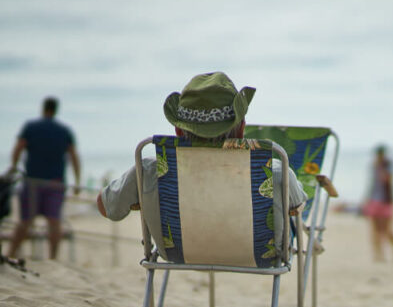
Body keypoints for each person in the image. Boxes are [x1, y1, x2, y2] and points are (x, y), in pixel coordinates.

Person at [96, 72, 307, 260]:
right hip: (260, 254)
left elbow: (107, 207)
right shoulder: (275, 173)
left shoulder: (151, 170)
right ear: (242, 129)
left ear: (178, 131)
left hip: (176, 252)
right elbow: (298, 206)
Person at [7, 97, 81, 260]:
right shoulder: (63, 131)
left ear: (43, 108)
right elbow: (74, 156)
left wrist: (13, 167)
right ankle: (53, 258)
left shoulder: (31, 127)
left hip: (32, 181)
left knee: (25, 221)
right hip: (55, 182)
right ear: (56, 110)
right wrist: (77, 181)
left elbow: (18, 148)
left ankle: (11, 253)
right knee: (54, 222)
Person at [362, 145, 393, 263]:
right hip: (374, 200)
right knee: (374, 230)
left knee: (387, 230)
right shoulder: (373, 166)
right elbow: (371, 184)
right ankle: (378, 255)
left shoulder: (388, 165)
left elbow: (387, 180)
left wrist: (381, 168)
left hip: (386, 201)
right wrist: (366, 200)